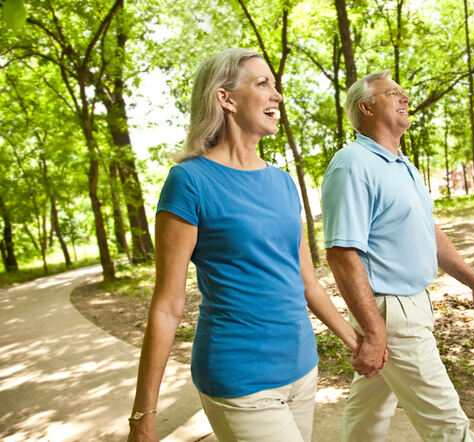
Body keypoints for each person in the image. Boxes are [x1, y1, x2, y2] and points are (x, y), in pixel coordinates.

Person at [127, 48, 360, 442]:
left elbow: (308, 282)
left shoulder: (283, 182)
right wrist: (143, 415)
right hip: (240, 378)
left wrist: (357, 341)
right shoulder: (189, 182)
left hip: (302, 369)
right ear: (226, 98)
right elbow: (167, 305)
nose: (277, 95)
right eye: (262, 83)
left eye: (274, 85)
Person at [321, 70, 474, 442]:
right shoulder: (352, 163)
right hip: (391, 312)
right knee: (446, 422)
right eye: (393, 93)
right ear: (366, 107)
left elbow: (428, 233)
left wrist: (473, 280)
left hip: (415, 304)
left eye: (404, 93)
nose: (405, 99)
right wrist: (373, 329)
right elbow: (341, 252)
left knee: (367, 412)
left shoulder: (404, 166)